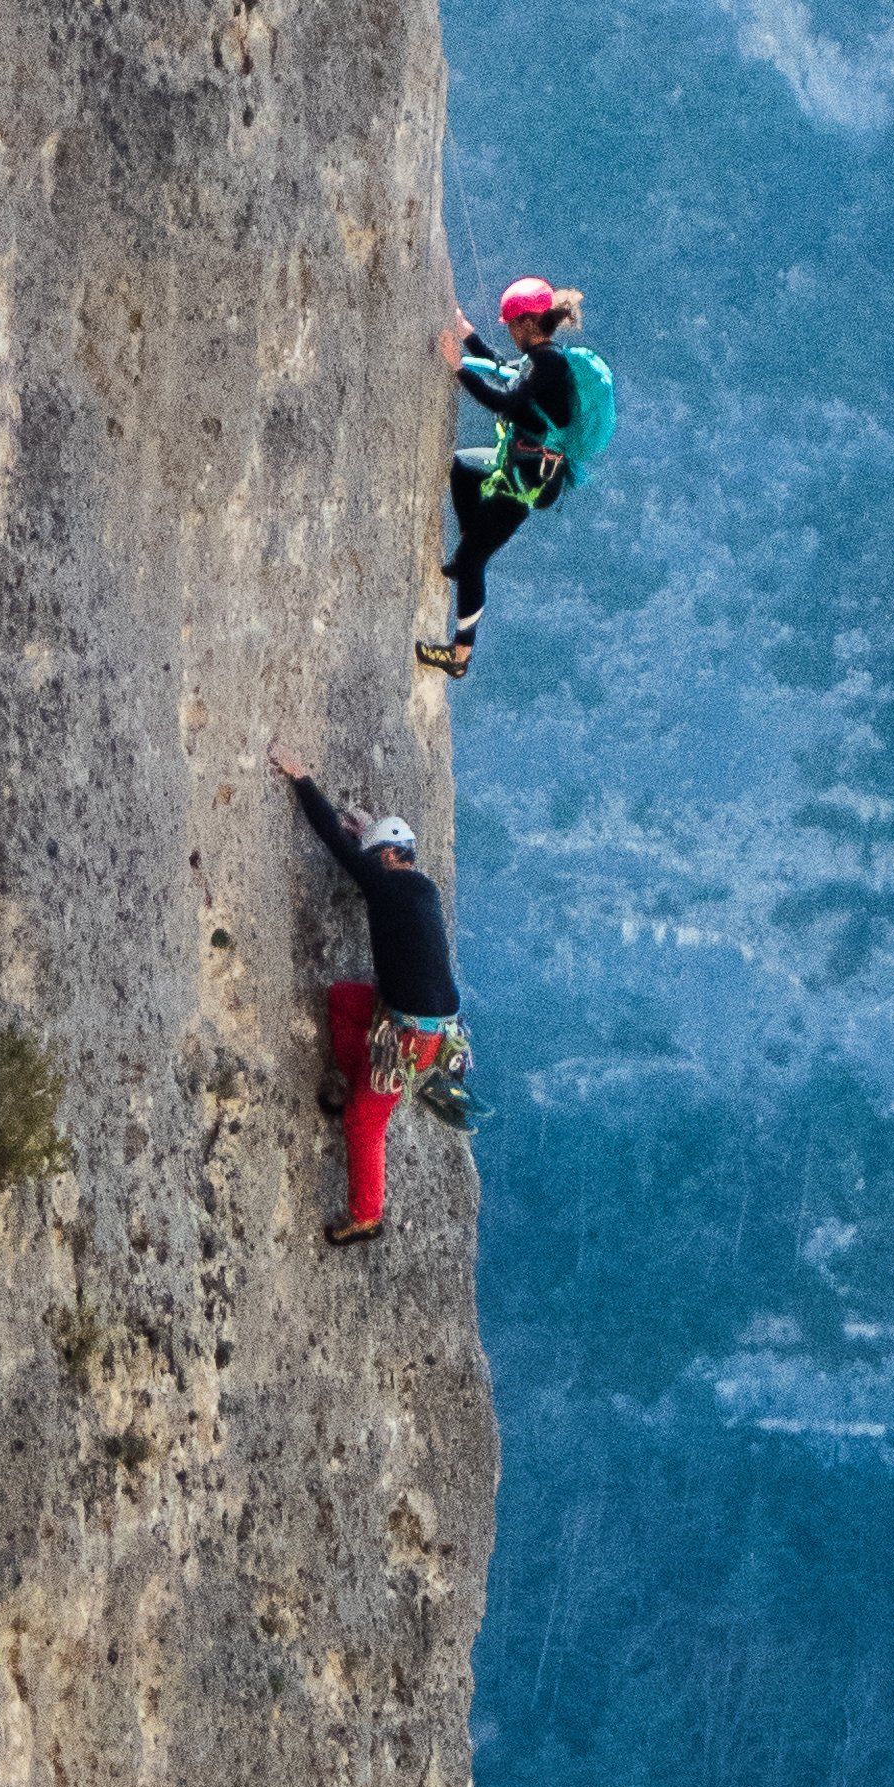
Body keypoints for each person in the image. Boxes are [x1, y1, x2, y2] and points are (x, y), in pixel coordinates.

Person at [268, 741, 471, 1245]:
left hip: (409, 1039)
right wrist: (370, 839)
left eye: (373, 856)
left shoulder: (386, 884)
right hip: (422, 1026)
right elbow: (364, 852)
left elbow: (335, 843)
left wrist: (301, 778)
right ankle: (354, 1078)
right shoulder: (418, 887)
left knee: (365, 1120)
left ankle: (367, 1215)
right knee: (342, 1000)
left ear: (384, 856)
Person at [419, 275, 595, 679]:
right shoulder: (542, 356)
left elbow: (505, 400)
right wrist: (469, 336)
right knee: (462, 466)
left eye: (512, 326)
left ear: (526, 324)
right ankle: (468, 545)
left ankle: (460, 656)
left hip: (531, 482)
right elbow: (505, 368)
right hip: (518, 465)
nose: (511, 334)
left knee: (472, 563)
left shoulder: (550, 364)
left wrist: (458, 368)